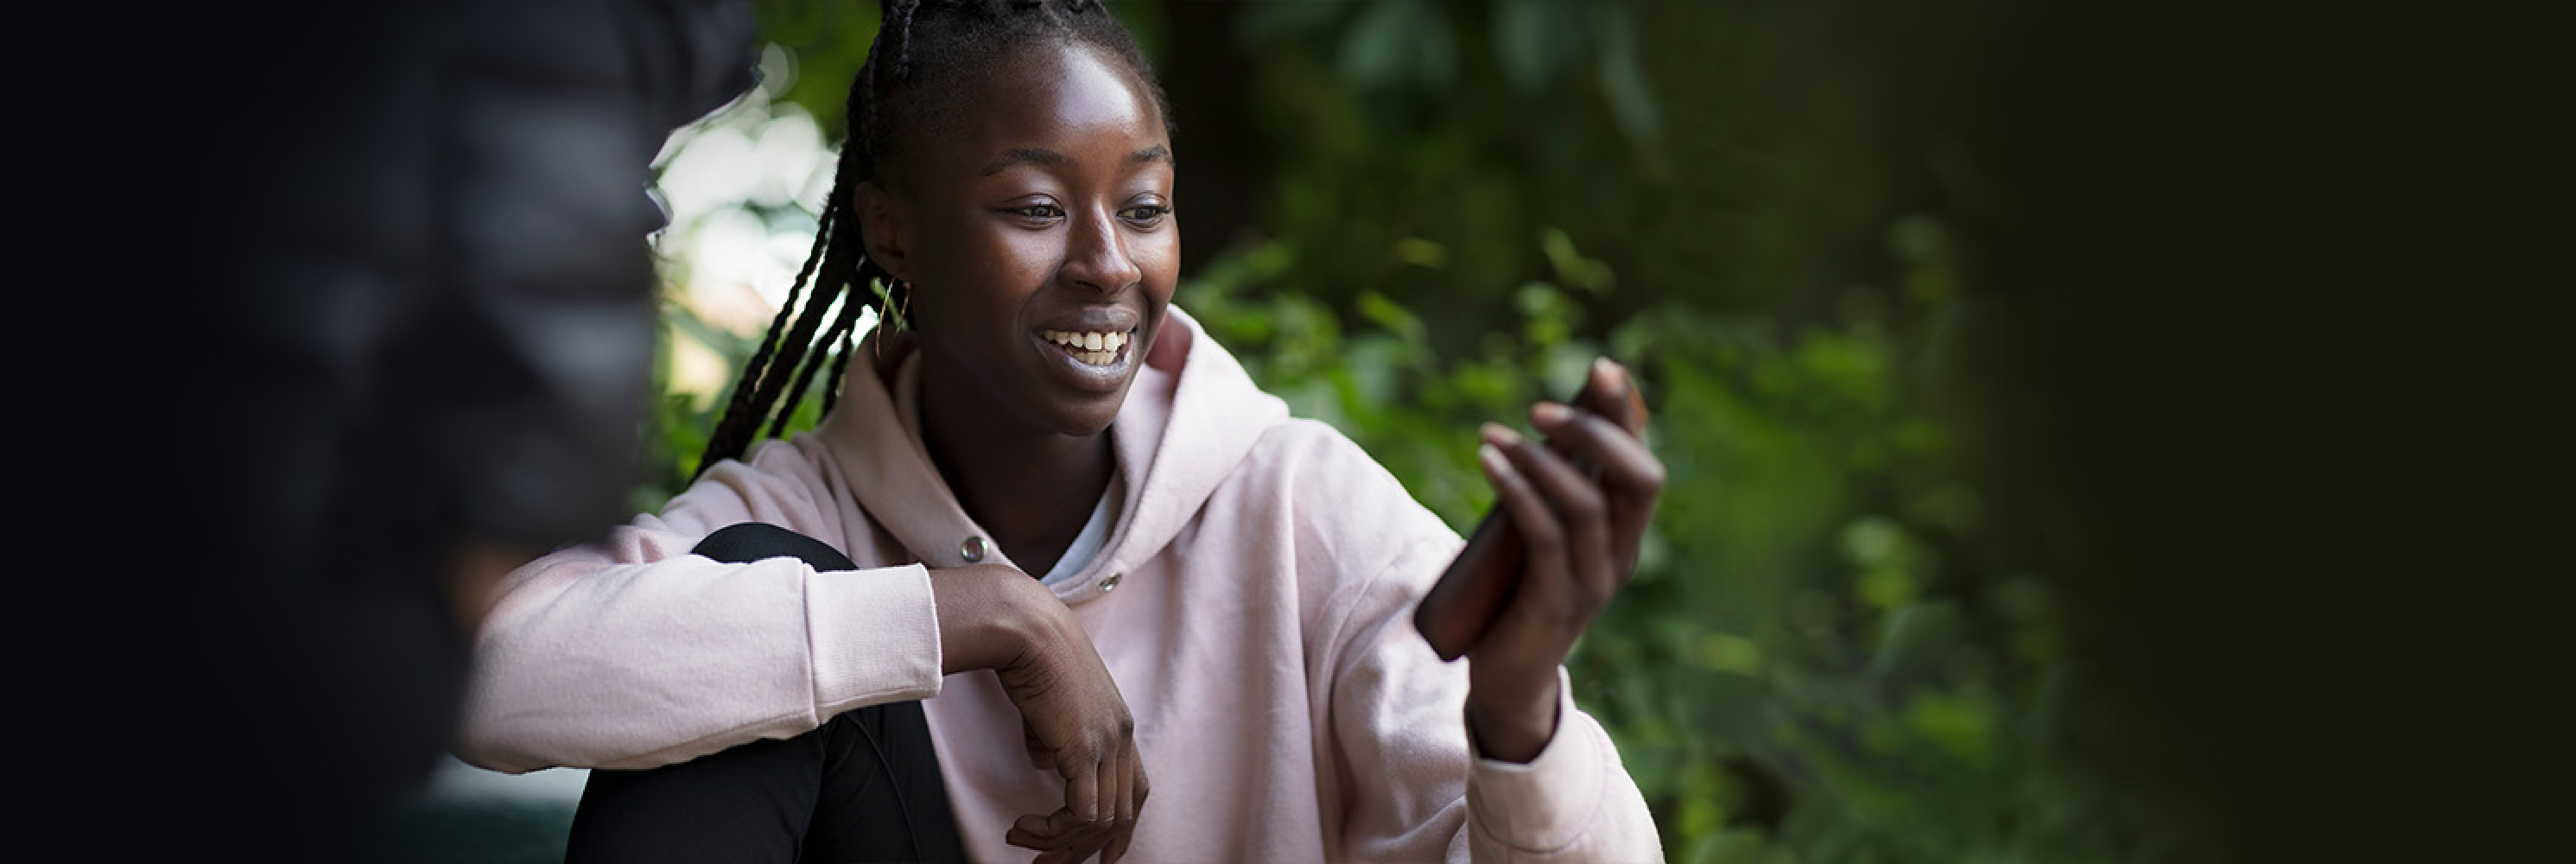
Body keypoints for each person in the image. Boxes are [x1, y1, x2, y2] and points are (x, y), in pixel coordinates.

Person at [455, 2, 1669, 861]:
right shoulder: (798, 512)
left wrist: (1517, 718)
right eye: (1035, 207)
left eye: (1143, 206)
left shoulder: (1299, 509)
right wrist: (979, 614)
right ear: (892, 233)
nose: (1107, 265)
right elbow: (480, 666)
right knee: (738, 651)